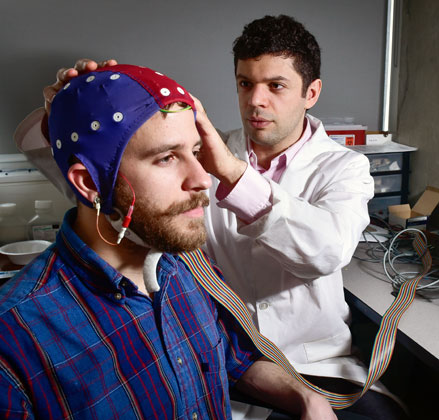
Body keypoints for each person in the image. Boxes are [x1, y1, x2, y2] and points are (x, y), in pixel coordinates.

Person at [25, 15, 409, 420]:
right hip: (219, 358)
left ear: (311, 93)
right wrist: (64, 117)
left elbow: (325, 253)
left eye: (276, 86)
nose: (256, 100)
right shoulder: (200, 153)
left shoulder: (342, 167)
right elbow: (101, 189)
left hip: (316, 366)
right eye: (246, 83)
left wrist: (232, 173)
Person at [1, 64, 337, 420]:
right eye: (166, 158)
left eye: (195, 152)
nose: (202, 179)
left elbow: (230, 360)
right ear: (89, 184)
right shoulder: (15, 340)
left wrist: (305, 398)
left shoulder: (186, 269)